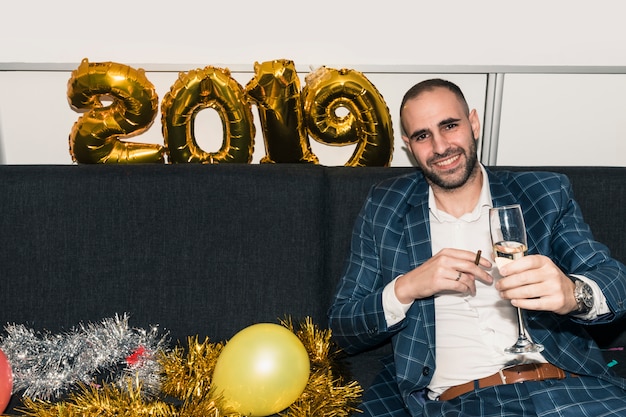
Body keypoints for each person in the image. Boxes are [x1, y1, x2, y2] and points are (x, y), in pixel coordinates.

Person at [328, 78, 626, 416]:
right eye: (423, 136)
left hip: (568, 390)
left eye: (450, 126)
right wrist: (407, 287)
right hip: (461, 404)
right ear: (409, 146)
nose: (440, 147)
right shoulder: (385, 207)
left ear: (473, 123)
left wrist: (573, 294)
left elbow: (615, 281)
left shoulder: (542, 193)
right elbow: (343, 327)